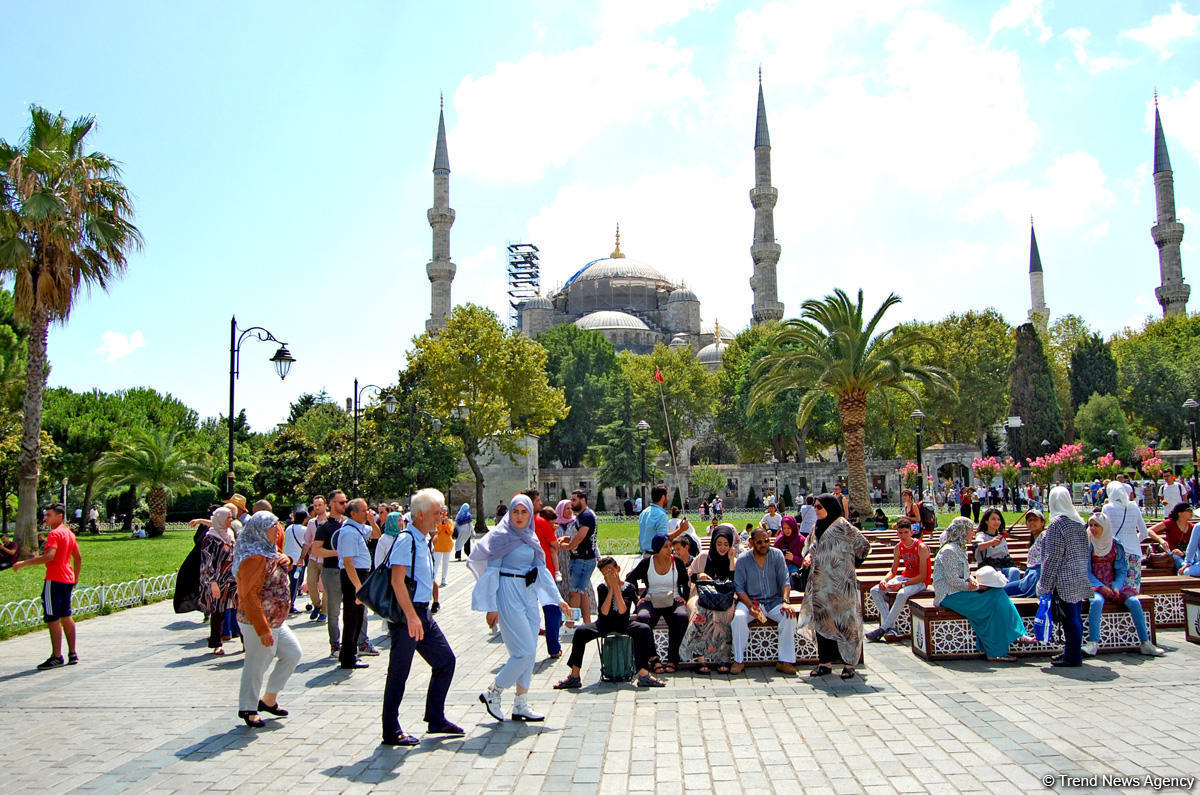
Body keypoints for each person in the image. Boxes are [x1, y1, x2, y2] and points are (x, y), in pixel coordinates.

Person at [470, 494, 569, 722]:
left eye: (524, 512)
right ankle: (494, 692)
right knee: (523, 652)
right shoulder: (500, 537)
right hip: (508, 591)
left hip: (528, 593)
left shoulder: (531, 535)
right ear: (509, 512)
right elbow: (492, 571)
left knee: (531, 650)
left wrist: (557, 598)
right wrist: (492, 606)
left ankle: (520, 703)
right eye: (516, 511)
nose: (519, 516)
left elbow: (542, 570)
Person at [381, 488, 463, 746]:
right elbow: (397, 581)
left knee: (445, 661)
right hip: (409, 614)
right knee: (399, 671)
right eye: (437, 511)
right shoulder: (407, 539)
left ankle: (435, 717)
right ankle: (390, 729)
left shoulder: (423, 538)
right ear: (420, 515)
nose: (441, 515)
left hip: (422, 612)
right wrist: (411, 616)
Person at [233, 511, 302, 728]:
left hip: (277, 620)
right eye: (273, 527)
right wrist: (262, 629)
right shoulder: (253, 557)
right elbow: (249, 595)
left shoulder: (267, 549)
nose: (278, 530)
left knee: (292, 654)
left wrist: (287, 560)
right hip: (258, 621)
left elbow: (278, 570)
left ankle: (269, 699)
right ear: (260, 531)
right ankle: (248, 707)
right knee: (256, 663)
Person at [553, 557, 664, 689]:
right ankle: (574, 676)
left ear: (618, 569)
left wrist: (616, 587)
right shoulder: (602, 588)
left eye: (611, 571)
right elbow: (604, 612)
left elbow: (623, 610)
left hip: (623, 623)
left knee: (644, 629)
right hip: (604, 624)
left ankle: (644, 674)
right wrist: (611, 588)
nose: (609, 575)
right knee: (580, 632)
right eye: (605, 573)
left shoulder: (629, 588)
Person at [933, 517, 1033, 662]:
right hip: (949, 596)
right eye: (970, 531)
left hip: (959, 593)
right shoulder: (949, 550)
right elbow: (952, 580)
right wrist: (978, 587)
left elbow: (964, 575)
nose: (973, 535)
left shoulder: (958, 548)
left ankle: (1003, 644)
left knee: (997, 596)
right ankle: (1014, 636)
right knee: (995, 599)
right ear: (962, 532)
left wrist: (973, 581)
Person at [797, 495, 870, 678]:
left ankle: (849, 664)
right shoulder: (817, 527)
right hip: (820, 587)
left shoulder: (843, 526)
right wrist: (808, 557)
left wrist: (850, 565)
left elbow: (863, 546)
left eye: (819, 507)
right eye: (815, 506)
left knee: (846, 624)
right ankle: (825, 662)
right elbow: (809, 546)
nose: (816, 509)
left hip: (841, 587)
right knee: (822, 622)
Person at [1084, 512, 1164, 657]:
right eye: (1091, 525)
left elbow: (1121, 569)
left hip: (1114, 583)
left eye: (1097, 525)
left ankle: (1145, 643)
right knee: (1096, 602)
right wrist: (1101, 587)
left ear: (1105, 527)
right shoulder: (1087, 543)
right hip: (1094, 584)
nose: (1093, 529)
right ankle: (1093, 643)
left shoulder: (1115, 544)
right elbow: (1086, 570)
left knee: (1134, 601)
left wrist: (1116, 586)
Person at [12, 503, 81, 669]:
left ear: (59, 516)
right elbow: (78, 557)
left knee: (52, 618)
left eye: (49, 515)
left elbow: (49, 556)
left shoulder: (55, 534)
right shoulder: (69, 533)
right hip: (67, 579)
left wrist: (23, 563)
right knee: (66, 615)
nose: (45, 518)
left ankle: (57, 656)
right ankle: (73, 653)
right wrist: (75, 578)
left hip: (54, 580)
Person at [731, 527, 799, 676]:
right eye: (759, 542)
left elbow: (785, 582)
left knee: (788, 616)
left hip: (773, 600)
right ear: (751, 543)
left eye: (766, 541)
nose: (763, 544)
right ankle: (738, 660)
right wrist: (750, 606)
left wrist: (786, 601)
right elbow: (739, 588)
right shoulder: (743, 559)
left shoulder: (777, 555)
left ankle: (785, 661)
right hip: (750, 601)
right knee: (739, 618)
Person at [1038, 487, 1093, 668]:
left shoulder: (1057, 525)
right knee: (1075, 616)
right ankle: (1072, 650)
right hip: (1078, 575)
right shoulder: (1078, 523)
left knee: (1069, 618)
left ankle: (1073, 655)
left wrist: (1045, 583)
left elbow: (1053, 557)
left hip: (1063, 578)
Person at [624, 534, 690, 673]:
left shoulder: (676, 562)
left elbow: (685, 581)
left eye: (670, 546)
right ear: (657, 549)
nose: (669, 549)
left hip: (673, 599)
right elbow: (629, 578)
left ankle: (673, 658)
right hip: (651, 599)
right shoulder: (647, 563)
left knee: (681, 616)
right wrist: (637, 599)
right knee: (643, 618)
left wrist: (684, 597)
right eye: (665, 547)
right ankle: (653, 657)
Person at [679, 524, 738, 674]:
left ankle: (723, 656)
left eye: (726, 544)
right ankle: (700, 657)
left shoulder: (733, 559)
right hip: (701, 596)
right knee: (701, 613)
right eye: (719, 544)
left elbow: (733, 583)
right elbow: (688, 576)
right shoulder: (704, 557)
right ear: (713, 543)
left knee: (726, 612)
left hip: (723, 598)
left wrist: (731, 561)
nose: (722, 548)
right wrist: (699, 576)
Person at [866, 518, 931, 642]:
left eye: (906, 532)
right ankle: (890, 628)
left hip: (920, 582)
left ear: (911, 532)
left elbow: (923, 576)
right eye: (900, 533)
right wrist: (884, 580)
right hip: (905, 577)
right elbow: (893, 571)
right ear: (897, 533)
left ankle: (883, 628)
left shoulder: (920, 547)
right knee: (875, 590)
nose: (903, 536)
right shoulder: (898, 547)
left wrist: (902, 584)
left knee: (901, 594)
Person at [336, 498, 381, 669]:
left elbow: (376, 535)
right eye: (363, 511)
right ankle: (348, 657)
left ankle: (350, 653)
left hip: (361, 575)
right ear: (353, 513)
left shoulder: (359, 528)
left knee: (358, 616)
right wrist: (358, 586)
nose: (367, 513)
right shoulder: (348, 532)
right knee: (352, 617)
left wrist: (371, 520)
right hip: (353, 577)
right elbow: (348, 562)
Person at [524, 489, 563, 658]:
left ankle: (526, 648)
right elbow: (554, 545)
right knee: (553, 609)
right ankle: (554, 647)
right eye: (538, 500)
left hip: (522, 573)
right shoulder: (540, 522)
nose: (541, 503)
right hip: (543, 570)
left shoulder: (514, 523)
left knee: (527, 611)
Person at [312, 490, 352, 657]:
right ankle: (335, 644)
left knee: (352, 608)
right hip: (331, 570)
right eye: (341, 502)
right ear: (332, 504)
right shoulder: (324, 527)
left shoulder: (349, 524)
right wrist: (337, 552)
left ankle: (352, 643)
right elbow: (316, 550)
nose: (345, 505)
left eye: (346, 502)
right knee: (333, 610)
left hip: (348, 570)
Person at [198, 506, 240, 655]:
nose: (231, 520)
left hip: (233, 577)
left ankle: (246, 642)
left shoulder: (230, 533)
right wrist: (213, 583)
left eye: (231, 517)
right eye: (228, 517)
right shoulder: (210, 538)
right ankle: (217, 643)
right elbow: (206, 563)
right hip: (218, 580)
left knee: (240, 609)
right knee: (218, 611)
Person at [1102, 480, 1149, 597]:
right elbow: (1144, 532)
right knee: (1132, 592)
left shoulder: (1107, 508)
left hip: (1116, 553)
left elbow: (1105, 532)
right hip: (1135, 553)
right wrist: (1134, 541)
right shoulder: (1134, 507)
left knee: (1116, 591)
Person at [562, 490, 598, 625]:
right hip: (582, 559)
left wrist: (569, 546)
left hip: (583, 559)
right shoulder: (582, 516)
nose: (571, 503)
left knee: (574, 592)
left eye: (574, 500)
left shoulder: (586, 516)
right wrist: (568, 538)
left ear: (583, 500)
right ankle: (587, 623)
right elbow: (580, 534)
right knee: (581, 592)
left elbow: (582, 535)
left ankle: (570, 624)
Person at [1004, 510, 1047, 598]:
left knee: (1002, 591)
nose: (1032, 522)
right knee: (1002, 590)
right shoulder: (1034, 538)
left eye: (1035, 520)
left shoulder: (1044, 535)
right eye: (1029, 520)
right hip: (1030, 576)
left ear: (1042, 522)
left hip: (1037, 577)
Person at [974, 508, 1020, 581]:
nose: (996, 522)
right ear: (986, 521)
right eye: (993, 519)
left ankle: (1007, 590)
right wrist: (991, 543)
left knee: (1015, 571)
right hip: (989, 570)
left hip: (1003, 568)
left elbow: (1007, 556)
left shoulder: (1002, 538)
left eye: (998, 519)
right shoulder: (981, 535)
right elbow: (978, 547)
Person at [1147, 503, 1193, 573]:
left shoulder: (1192, 527)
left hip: (1186, 554)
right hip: (1171, 554)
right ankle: (1185, 572)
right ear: (1180, 513)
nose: (1191, 512)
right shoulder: (1170, 523)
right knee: (1177, 559)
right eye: (1188, 510)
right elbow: (1149, 530)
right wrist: (1161, 540)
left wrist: (1183, 553)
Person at [303, 497, 327, 621]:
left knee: (327, 586)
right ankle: (317, 604)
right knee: (311, 583)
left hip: (326, 558)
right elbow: (307, 541)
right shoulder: (311, 523)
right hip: (313, 558)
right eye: (315, 505)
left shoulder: (330, 521)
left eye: (320, 505)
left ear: (325, 505)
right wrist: (301, 557)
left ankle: (324, 611)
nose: (317, 507)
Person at [282, 510, 308, 614]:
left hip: (287, 560)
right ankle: (290, 606)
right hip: (297, 561)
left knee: (288, 583)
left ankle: (286, 604)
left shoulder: (288, 528)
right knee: (295, 583)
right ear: (304, 519)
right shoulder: (304, 530)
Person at [637, 485, 670, 556]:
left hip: (645, 554)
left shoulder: (644, 512)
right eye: (667, 496)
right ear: (663, 497)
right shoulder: (661, 515)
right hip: (656, 556)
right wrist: (681, 529)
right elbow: (663, 539)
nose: (668, 499)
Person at [432, 506, 454, 587]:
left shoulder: (450, 521)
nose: (443, 514)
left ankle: (444, 579)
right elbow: (437, 531)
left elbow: (450, 532)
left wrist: (446, 524)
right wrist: (441, 524)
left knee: (445, 563)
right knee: (436, 563)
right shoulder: (436, 521)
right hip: (438, 544)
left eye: (445, 512)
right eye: (441, 512)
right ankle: (433, 578)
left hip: (447, 544)